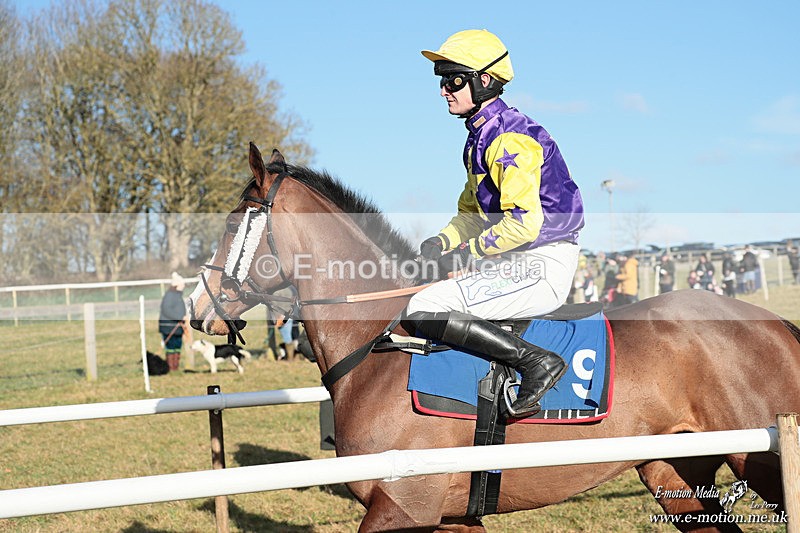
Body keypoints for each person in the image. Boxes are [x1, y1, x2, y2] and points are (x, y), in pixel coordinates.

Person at [407, 29, 584, 418]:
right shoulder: (479, 138)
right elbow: (472, 215)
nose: (443, 90)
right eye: (441, 80)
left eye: (453, 79)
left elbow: (523, 224)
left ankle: (538, 363)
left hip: (541, 263)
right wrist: (441, 242)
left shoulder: (509, 138)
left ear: (484, 81)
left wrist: (465, 253)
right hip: (517, 262)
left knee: (424, 307)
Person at [159, 272, 187, 371]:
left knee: (177, 346)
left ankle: (175, 367)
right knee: (171, 347)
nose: (184, 286)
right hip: (169, 327)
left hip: (177, 327)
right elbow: (167, 309)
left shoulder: (177, 295)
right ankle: (170, 367)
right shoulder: (170, 295)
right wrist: (179, 317)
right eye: (182, 284)